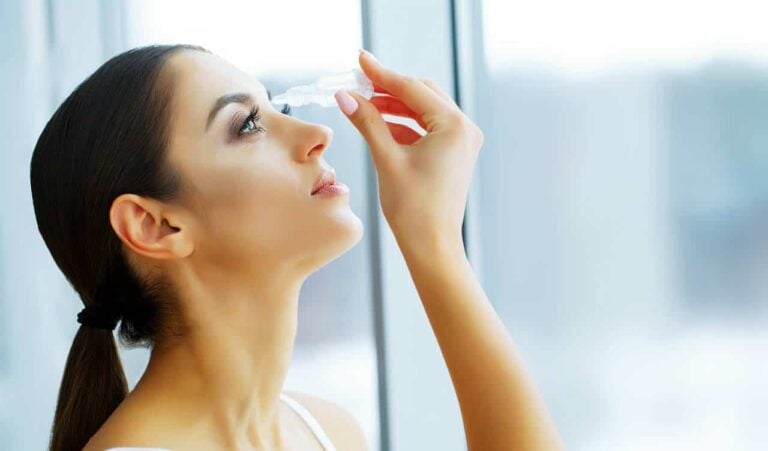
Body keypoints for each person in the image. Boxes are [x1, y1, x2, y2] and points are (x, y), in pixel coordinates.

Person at [30, 44, 562, 450]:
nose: (316, 133)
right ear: (155, 225)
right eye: (248, 125)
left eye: (275, 108)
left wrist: (434, 239)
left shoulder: (328, 431)